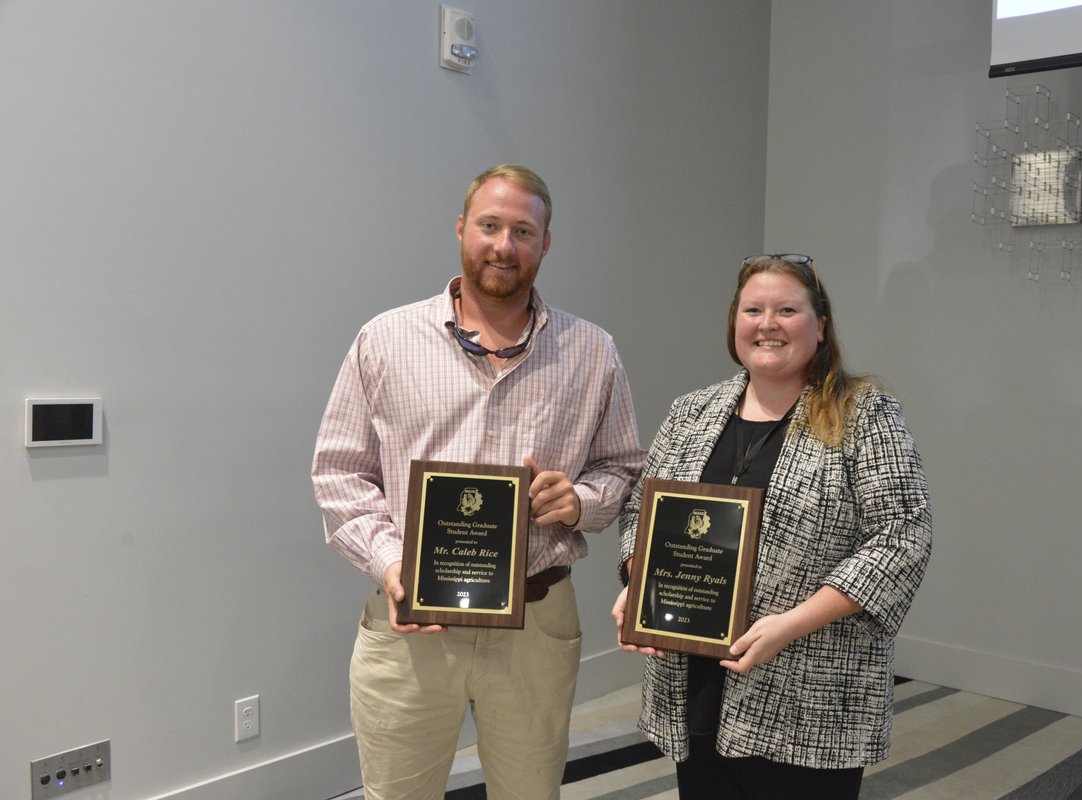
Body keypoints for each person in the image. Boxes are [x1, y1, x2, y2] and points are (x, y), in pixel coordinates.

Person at [312, 164, 642, 800]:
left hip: (536, 622)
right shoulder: (384, 340)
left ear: (546, 243)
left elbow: (622, 467)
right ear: (462, 228)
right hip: (411, 624)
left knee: (530, 792)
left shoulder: (591, 351)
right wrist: (389, 563)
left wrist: (580, 501)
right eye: (490, 225)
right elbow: (340, 470)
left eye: (524, 230)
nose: (504, 244)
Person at [611, 254, 931, 799]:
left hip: (808, 690)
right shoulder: (692, 411)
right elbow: (640, 509)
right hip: (698, 681)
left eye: (787, 309)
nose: (768, 323)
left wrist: (790, 623)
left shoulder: (864, 412)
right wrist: (636, 581)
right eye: (753, 309)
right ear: (735, 320)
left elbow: (903, 534)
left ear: (820, 324)